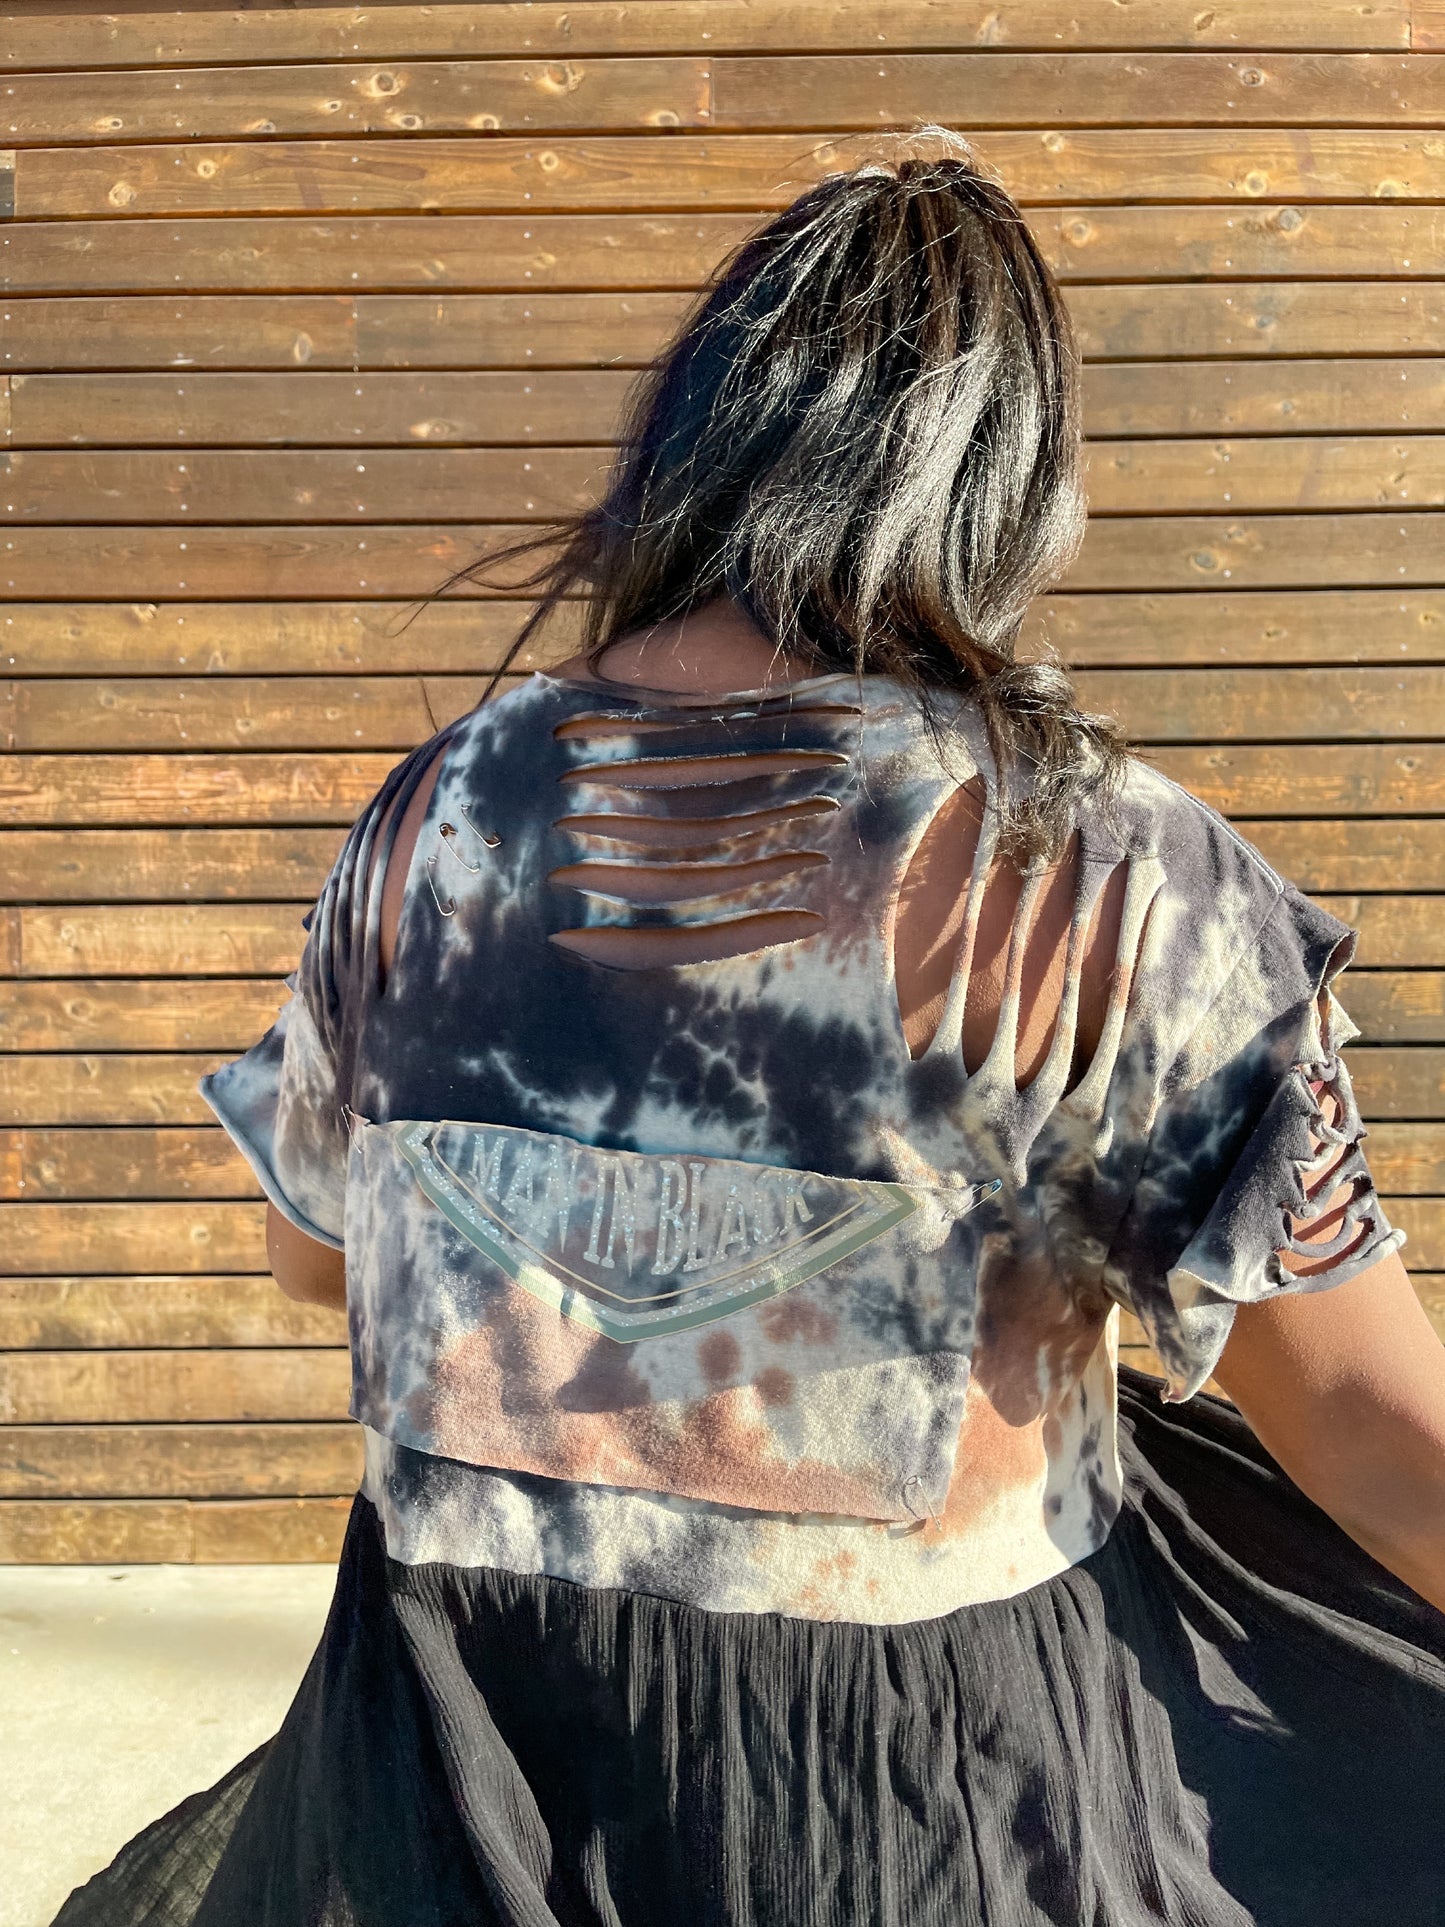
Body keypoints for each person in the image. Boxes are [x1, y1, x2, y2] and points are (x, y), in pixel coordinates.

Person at [55, 136, 1445, 1927]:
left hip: (450, 1777)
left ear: (696, 447)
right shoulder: (1115, 878)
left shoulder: (432, 820)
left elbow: (318, 1261)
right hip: (916, 1809)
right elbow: (1370, 1431)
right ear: (1013, 488)